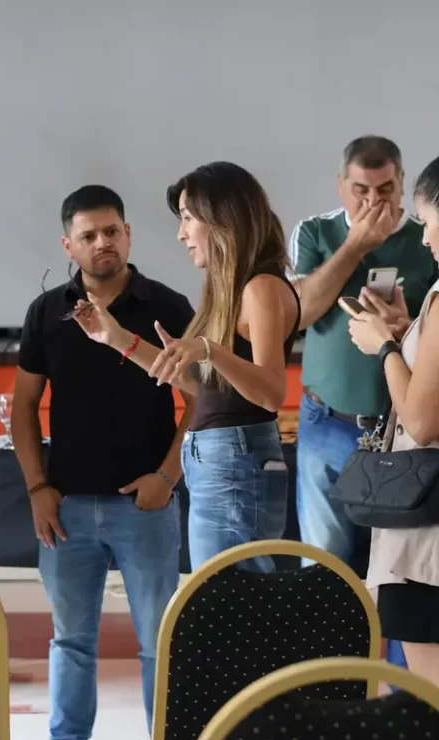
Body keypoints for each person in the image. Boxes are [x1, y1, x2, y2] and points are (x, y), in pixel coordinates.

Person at [12, 185, 194, 740]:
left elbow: (201, 398)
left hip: (146, 505)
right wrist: (37, 486)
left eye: (112, 231)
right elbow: (23, 406)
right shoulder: (47, 312)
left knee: (158, 640)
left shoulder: (166, 306)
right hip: (66, 503)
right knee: (70, 639)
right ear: (69, 245)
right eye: (88, 235)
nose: (102, 243)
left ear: (128, 234)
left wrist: (167, 476)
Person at [78, 162, 299, 574]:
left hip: (236, 458)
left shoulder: (261, 287)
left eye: (187, 218)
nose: (181, 234)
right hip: (220, 459)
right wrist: (118, 338)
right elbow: (206, 388)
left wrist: (209, 350)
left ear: (222, 218)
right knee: (217, 596)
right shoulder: (230, 287)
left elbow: (271, 393)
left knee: (227, 598)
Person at [289, 136, 435, 567]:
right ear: (341, 184)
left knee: (392, 562)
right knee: (323, 563)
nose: (373, 201)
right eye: (361, 190)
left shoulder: (426, 237)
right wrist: (355, 246)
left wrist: (403, 329)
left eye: (385, 189)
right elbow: (299, 314)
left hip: (402, 432)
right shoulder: (316, 231)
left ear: (402, 182)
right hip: (326, 420)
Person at [345, 154, 439, 686]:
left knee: (428, 696)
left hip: (430, 534)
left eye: (428, 221)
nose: (424, 238)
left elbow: (422, 421)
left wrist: (383, 346)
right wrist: (407, 334)